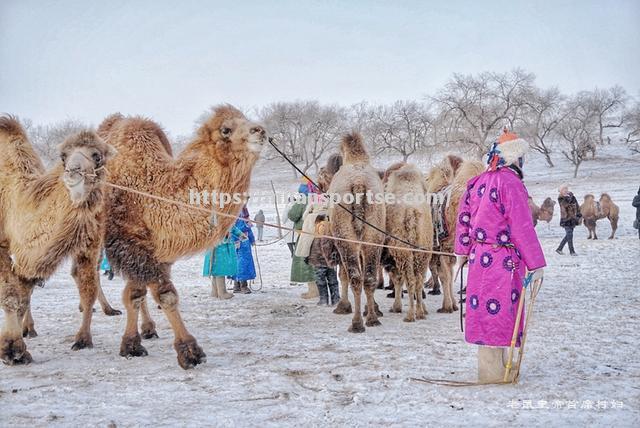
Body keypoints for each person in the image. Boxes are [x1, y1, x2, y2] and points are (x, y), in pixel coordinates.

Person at [455, 128, 546, 383]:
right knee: (501, 313)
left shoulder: (476, 183)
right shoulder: (511, 184)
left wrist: (462, 252)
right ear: (515, 158)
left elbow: (463, 221)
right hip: (503, 262)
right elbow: (521, 227)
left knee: (484, 313)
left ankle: (492, 369)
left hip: (478, 258)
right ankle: (497, 374)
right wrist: (535, 263)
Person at [288, 179, 318, 298]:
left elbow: (293, 215)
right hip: (320, 234)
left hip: (306, 234)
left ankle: (313, 290)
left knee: (306, 262)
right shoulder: (319, 198)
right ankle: (321, 289)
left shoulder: (303, 200)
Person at [306, 214, 340, 306]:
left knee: (321, 280)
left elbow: (312, 247)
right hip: (330, 260)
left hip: (319, 260)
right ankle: (336, 299)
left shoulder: (317, 230)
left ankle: (324, 300)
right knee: (332, 279)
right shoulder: (330, 228)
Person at [203, 226, 245, 299]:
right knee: (220, 270)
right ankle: (222, 293)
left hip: (217, 247)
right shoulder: (218, 220)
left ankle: (215, 292)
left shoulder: (222, 218)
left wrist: (240, 234)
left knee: (215, 270)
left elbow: (232, 227)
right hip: (219, 249)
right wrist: (226, 236)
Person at [231, 206, 256, 294]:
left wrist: (252, 239)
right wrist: (235, 240)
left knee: (245, 263)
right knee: (239, 263)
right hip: (237, 243)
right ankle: (241, 285)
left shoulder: (245, 213)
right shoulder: (232, 212)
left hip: (245, 243)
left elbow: (248, 228)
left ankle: (238, 284)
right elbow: (231, 229)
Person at [556, 184, 581, 256]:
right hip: (566, 219)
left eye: (566, 189)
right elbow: (566, 205)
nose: (565, 190)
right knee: (570, 234)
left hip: (573, 218)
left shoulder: (572, 197)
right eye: (563, 189)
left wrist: (579, 214)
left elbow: (577, 205)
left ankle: (559, 249)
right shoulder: (560, 198)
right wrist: (569, 198)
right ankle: (572, 251)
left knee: (568, 235)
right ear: (560, 191)